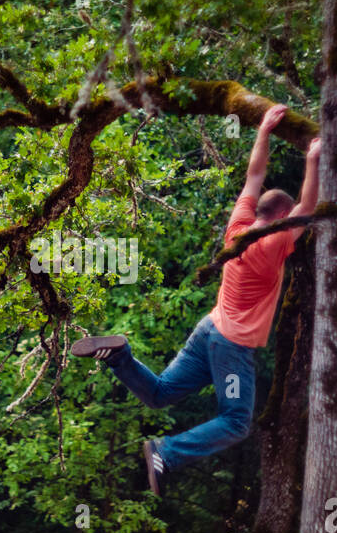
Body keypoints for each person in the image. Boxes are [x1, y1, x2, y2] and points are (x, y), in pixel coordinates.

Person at [70, 104, 322, 495]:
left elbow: (255, 175)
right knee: (236, 421)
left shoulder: (238, 225)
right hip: (232, 347)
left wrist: (264, 130)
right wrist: (314, 158)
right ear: (283, 216)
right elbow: (308, 209)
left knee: (159, 395)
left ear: (260, 210)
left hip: (208, 333)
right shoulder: (273, 244)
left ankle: (120, 357)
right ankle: (166, 453)